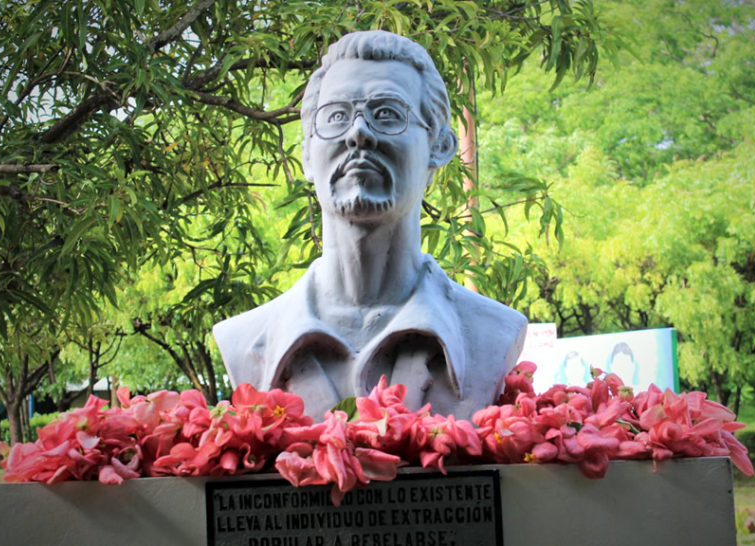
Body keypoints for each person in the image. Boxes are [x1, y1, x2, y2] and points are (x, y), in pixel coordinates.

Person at [212, 30, 527, 420]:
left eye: (387, 114)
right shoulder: (244, 339)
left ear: (440, 146)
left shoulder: (492, 333)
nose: (358, 132)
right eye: (336, 116)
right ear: (307, 154)